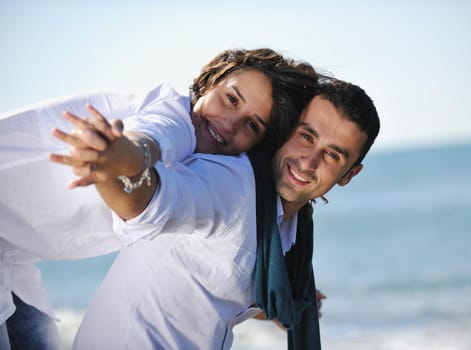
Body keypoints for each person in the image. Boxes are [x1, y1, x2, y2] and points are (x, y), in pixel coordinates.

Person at [0, 48, 318, 349]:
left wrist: (277, 300)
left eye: (251, 124)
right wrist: (122, 154)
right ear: (209, 82)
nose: (229, 122)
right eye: (230, 99)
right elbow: (151, 136)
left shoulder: (209, 174)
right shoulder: (175, 116)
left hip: (12, 256)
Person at [55, 78, 380, 349]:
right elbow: (146, 198)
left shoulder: (291, 223)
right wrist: (108, 165)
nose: (308, 162)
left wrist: (289, 301)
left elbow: (228, 280)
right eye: (306, 137)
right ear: (285, 132)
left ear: (349, 174)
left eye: (332, 155)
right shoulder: (234, 185)